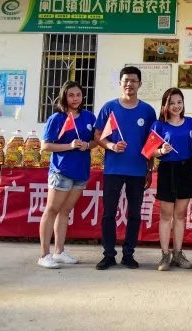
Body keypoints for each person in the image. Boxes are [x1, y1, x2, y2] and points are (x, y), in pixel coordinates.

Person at [94, 66, 157, 270]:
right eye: (126, 80)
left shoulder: (147, 111)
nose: (129, 84)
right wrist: (111, 145)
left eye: (133, 81)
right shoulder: (109, 108)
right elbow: (98, 135)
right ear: (120, 83)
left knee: (135, 214)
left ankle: (128, 254)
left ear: (140, 84)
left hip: (137, 170)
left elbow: (151, 142)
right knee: (109, 213)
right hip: (113, 169)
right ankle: (108, 254)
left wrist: (149, 169)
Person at [37, 80, 95, 268]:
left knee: (65, 211)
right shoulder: (57, 118)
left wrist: (87, 145)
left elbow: (97, 140)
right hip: (61, 171)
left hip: (81, 171)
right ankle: (44, 255)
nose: (75, 98)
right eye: (71, 95)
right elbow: (45, 146)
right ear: (64, 97)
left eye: (78, 95)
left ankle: (59, 251)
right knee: (52, 210)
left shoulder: (89, 117)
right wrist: (69, 146)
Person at [151, 87, 192, 272]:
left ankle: (178, 253)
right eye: (172, 103)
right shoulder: (159, 125)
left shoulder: (190, 123)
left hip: (185, 170)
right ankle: (165, 254)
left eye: (179, 102)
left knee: (180, 215)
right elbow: (149, 151)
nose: (176, 106)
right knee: (166, 215)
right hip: (166, 170)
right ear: (165, 105)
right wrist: (161, 151)